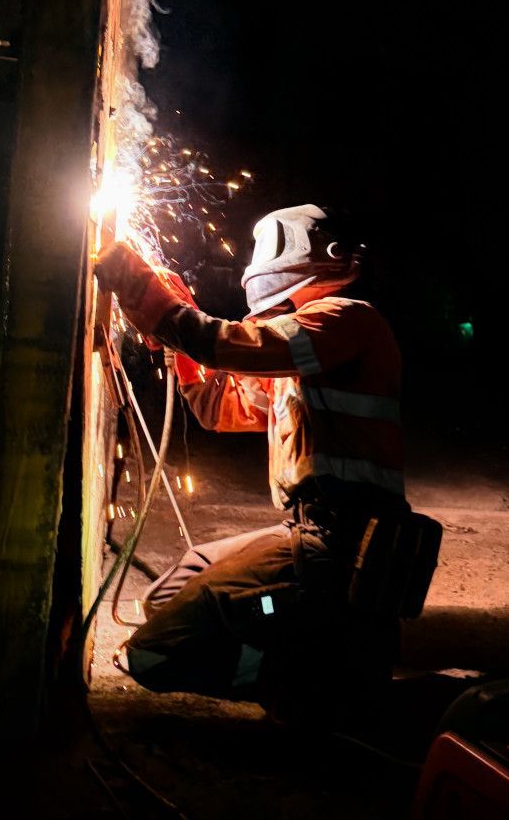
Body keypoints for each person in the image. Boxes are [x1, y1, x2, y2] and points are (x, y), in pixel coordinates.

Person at [95, 203, 438, 722]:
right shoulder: (296, 356)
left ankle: (315, 678)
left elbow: (229, 343)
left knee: (156, 651)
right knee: (166, 598)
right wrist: (182, 340)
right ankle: (308, 649)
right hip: (306, 535)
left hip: (340, 546)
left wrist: (161, 306)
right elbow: (219, 407)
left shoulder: (347, 320)